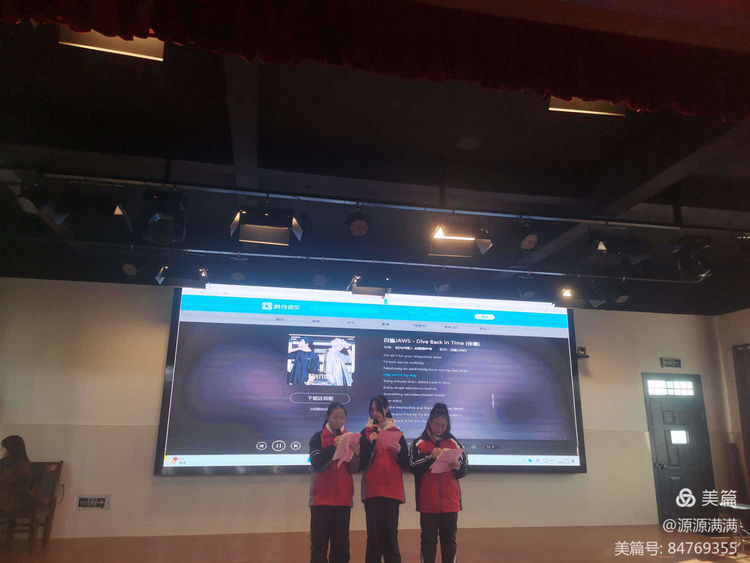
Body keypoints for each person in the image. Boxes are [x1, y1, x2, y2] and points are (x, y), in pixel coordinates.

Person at [408, 403, 468, 563]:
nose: (440, 428)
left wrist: (459, 467)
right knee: (428, 543)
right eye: (436, 424)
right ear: (430, 422)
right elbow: (412, 466)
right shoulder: (419, 443)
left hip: (450, 502)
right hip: (428, 503)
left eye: (443, 425)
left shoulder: (454, 443)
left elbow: (465, 469)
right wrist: (430, 457)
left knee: (449, 543)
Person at [359, 395, 409, 563]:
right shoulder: (365, 433)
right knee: (374, 538)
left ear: (386, 409)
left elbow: (406, 464)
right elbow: (360, 463)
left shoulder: (397, 433)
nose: (375, 413)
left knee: (390, 537)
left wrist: (399, 451)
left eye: (378, 409)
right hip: (372, 491)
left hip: (392, 492)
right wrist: (369, 444)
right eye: (372, 410)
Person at [309, 402, 361, 563]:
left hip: (343, 500)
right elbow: (317, 464)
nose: (339, 421)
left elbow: (354, 468)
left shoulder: (350, 438)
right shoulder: (318, 437)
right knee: (319, 548)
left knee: (341, 549)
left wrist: (357, 454)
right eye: (335, 418)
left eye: (342, 418)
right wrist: (333, 447)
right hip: (321, 500)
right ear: (328, 417)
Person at [0, 435, 33, 514]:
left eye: (3, 448)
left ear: (11, 450)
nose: (0, 451)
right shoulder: (6, 463)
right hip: (7, 497)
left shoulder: (22, 465)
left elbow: (6, 481)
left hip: (16, 501)